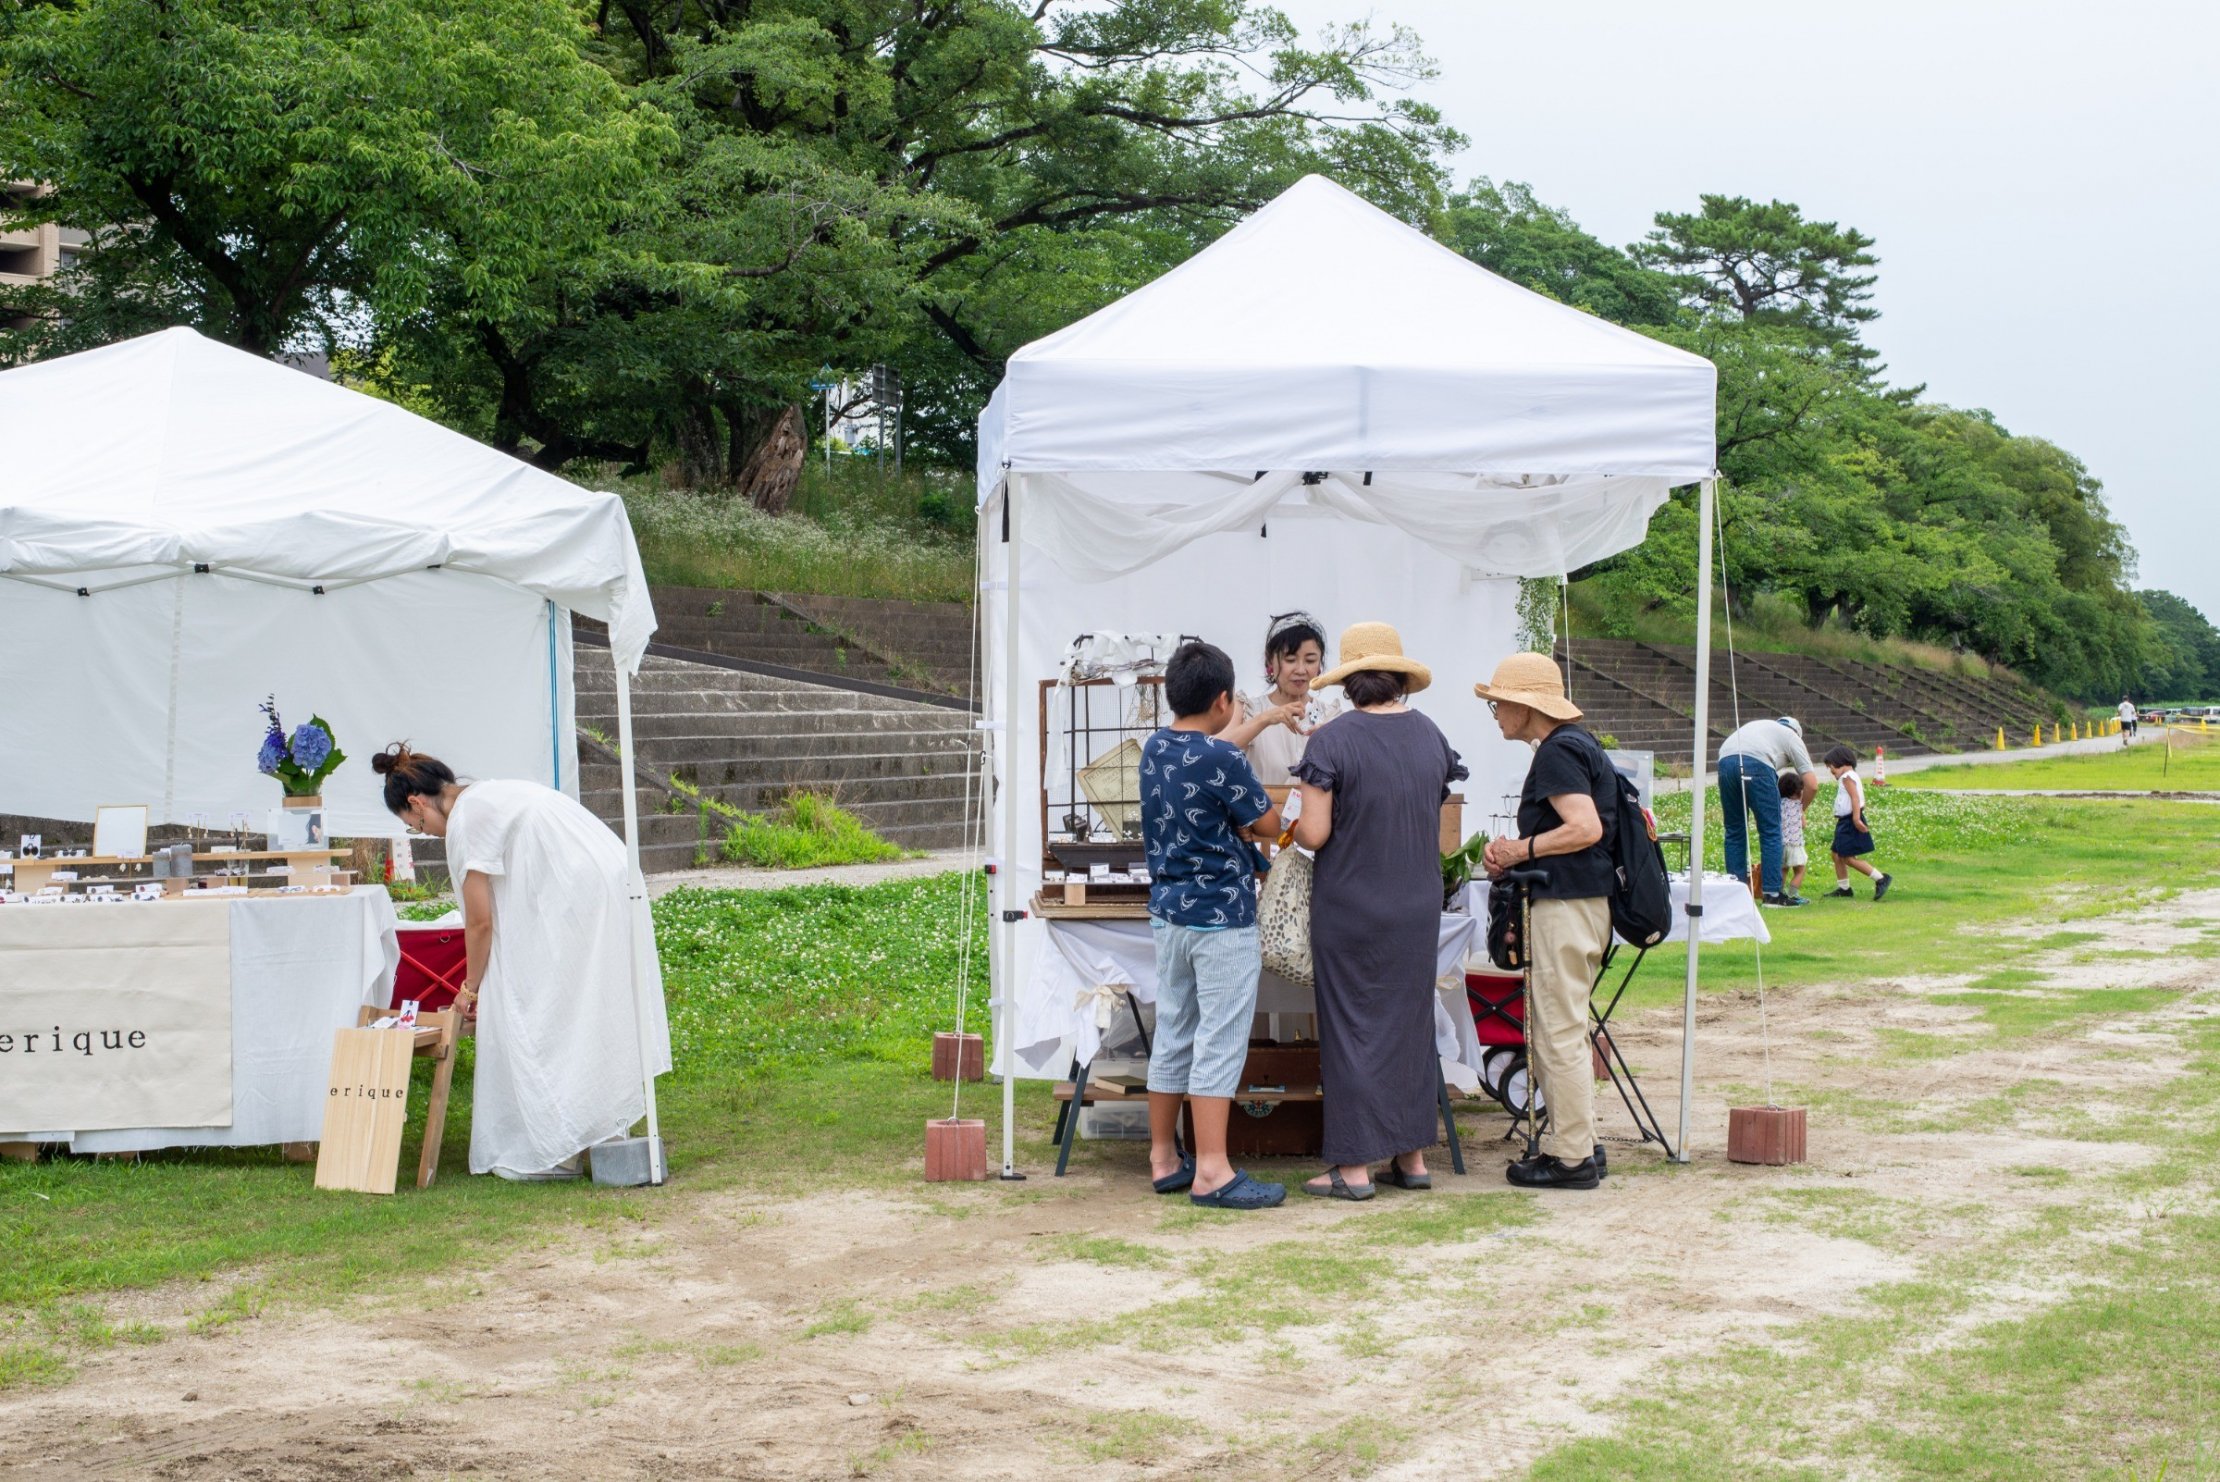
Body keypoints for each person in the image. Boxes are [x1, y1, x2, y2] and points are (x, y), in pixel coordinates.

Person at [372, 743, 672, 1181]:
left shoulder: (466, 820)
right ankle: (591, 1128)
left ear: (417, 802)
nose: (426, 833)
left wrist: (470, 990)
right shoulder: (485, 795)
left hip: (579, 888)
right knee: (583, 1003)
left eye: (415, 825)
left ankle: (556, 1145)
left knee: (547, 1003)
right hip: (608, 874)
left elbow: (479, 923)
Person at [1290, 622, 1465, 1200]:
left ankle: (1354, 1167)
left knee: (1352, 1029)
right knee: (1409, 1026)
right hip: (1416, 902)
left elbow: (1314, 834)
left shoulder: (1331, 742)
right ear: (1398, 679)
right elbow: (1435, 818)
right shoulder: (1431, 736)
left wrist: (1291, 827)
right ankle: (1411, 1157)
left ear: (1348, 683)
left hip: (1352, 904)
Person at [1139, 641, 1288, 1210]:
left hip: (1169, 913)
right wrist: (1251, 828)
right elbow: (1269, 823)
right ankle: (1213, 1171)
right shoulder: (1223, 761)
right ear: (1225, 700)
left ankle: (1162, 1158)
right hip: (1221, 917)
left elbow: (1205, 757)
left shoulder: (1156, 747)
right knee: (1220, 1039)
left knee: (1175, 1030)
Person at [1476, 653, 1615, 1191]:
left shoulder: (1559, 752)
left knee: (1557, 1031)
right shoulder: (1575, 745)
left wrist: (1518, 850)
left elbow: (1584, 828)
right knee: (1564, 1029)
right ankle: (1578, 1142)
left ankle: (1573, 1157)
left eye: (1497, 703)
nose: (1494, 712)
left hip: (1566, 904)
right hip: (1580, 903)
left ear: (1525, 705)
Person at [1221, 611, 1343, 785]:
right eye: (1290, 659)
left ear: (1320, 664)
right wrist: (1265, 719)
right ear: (1270, 661)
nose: (1301, 670)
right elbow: (1214, 752)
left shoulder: (1331, 715)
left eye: (1310, 660)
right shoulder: (1249, 709)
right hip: (1262, 811)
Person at [1716, 716, 1820, 908]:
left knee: (1734, 830)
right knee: (1771, 830)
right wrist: (1799, 811)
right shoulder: (1792, 737)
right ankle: (1772, 894)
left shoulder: (1761, 727)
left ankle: (1737, 892)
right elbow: (1812, 785)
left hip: (1725, 760)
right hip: (1757, 764)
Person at [1823, 744, 1893, 900]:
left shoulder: (1847, 777)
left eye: (1831, 767)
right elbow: (1860, 798)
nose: (1831, 771)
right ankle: (1844, 888)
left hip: (1849, 821)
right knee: (1836, 854)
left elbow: (1855, 798)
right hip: (1845, 820)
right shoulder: (1852, 776)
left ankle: (1881, 878)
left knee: (1847, 857)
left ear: (1840, 762)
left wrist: (1855, 818)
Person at [1778, 771, 1808, 904]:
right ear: (1799, 791)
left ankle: (1779, 893)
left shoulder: (1778, 804)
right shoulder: (1797, 806)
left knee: (1783, 869)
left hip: (1780, 843)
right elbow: (1803, 825)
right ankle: (1793, 895)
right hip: (1795, 844)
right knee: (1800, 870)